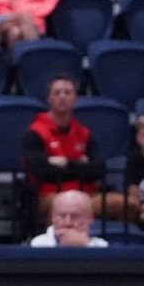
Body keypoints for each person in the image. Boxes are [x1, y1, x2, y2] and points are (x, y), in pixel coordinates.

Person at [21, 75, 102, 218]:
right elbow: (42, 171)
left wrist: (65, 163)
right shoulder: (35, 132)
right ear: (49, 98)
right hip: (51, 195)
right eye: (57, 93)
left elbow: (99, 169)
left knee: (128, 205)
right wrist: (81, 166)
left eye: (68, 92)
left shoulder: (84, 133)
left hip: (88, 195)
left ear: (75, 98)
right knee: (62, 209)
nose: (62, 97)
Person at [30, 189, 106, 247]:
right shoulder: (38, 244)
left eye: (75, 216)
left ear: (90, 219)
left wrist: (86, 244)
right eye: (62, 216)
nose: (68, 223)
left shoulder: (101, 246)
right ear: (52, 218)